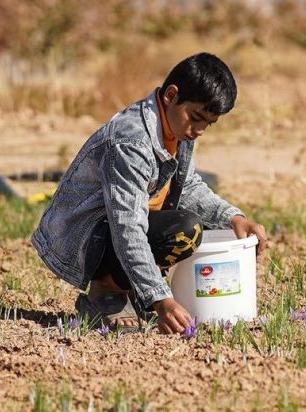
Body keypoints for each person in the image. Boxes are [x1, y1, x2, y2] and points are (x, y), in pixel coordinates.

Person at [31, 52, 268, 334]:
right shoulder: (131, 141)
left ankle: (130, 288)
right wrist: (160, 298)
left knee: (196, 224)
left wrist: (233, 217)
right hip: (85, 240)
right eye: (196, 117)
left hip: (120, 225)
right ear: (171, 95)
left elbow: (188, 185)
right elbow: (127, 226)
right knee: (184, 229)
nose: (201, 130)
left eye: (209, 123)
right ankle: (106, 291)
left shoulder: (178, 128)